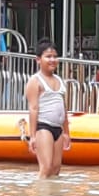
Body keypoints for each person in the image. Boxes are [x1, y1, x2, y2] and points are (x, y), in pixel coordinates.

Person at [24, 40, 71, 179]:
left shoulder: (59, 80)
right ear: (38, 60)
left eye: (55, 56)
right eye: (48, 56)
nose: (52, 60)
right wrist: (32, 136)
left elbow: (64, 108)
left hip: (58, 127)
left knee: (56, 168)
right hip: (43, 126)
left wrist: (67, 133)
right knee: (46, 167)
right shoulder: (35, 80)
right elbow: (33, 108)